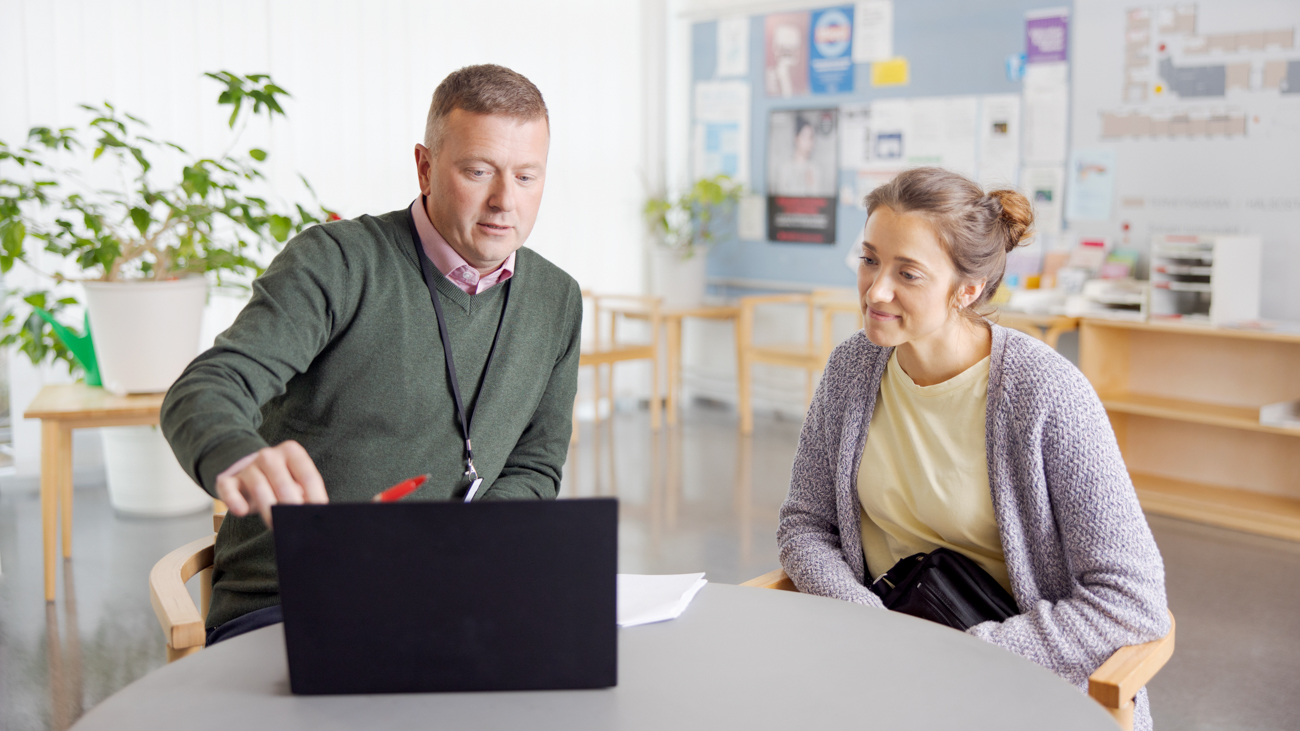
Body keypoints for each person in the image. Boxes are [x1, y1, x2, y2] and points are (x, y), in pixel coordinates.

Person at [161, 64, 582, 645]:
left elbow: (534, 468)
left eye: (527, 176)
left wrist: (465, 541)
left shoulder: (557, 299)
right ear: (426, 168)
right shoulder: (335, 262)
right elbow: (207, 387)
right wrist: (235, 454)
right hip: (294, 604)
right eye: (478, 171)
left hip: (453, 597)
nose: (504, 200)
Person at [777, 167, 1169, 730]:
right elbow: (804, 525)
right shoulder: (851, 368)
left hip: (1013, 683)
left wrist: (972, 654)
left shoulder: (1046, 394)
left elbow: (1131, 598)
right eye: (869, 260)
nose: (876, 290)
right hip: (884, 670)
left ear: (967, 289)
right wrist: (865, 621)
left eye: (907, 273)